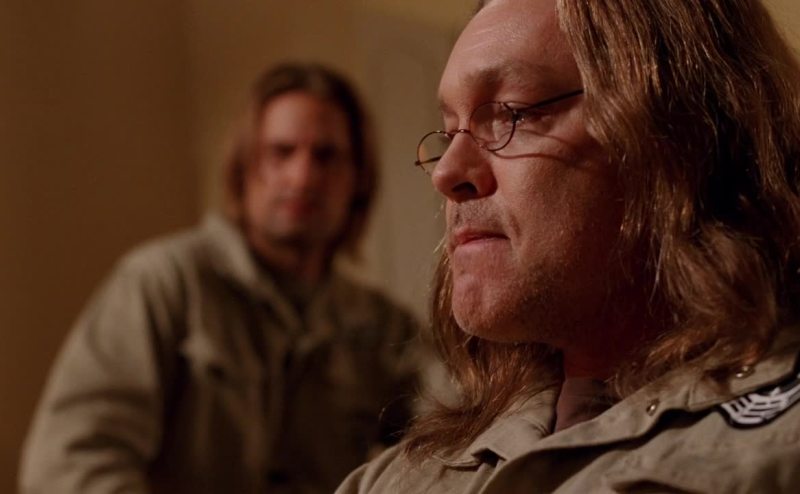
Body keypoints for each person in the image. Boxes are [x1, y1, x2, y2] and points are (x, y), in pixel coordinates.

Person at [336, 0, 800, 492]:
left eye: (512, 113)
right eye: (449, 132)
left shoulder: (777, 453)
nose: (447, 173)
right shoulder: (394, 479)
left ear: (688, 132)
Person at [20, 63, 423, 494]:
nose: (302, 177)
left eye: (325, 156)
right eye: (281, 152)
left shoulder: (383, 325)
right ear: (244, 167)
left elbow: (449, 436)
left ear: (358, 179)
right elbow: (68, 465)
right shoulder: (163, 284)